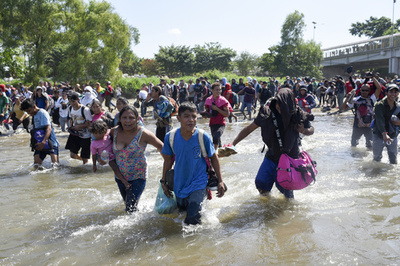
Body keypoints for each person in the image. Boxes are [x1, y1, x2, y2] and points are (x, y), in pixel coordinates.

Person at [232, 88, 314, 198]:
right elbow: (248, 129)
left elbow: (311, 129)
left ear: (289, 103)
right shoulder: (266, 113)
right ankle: (267, 204)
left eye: (282, 104)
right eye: (277, 103)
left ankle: (287, 209)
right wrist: (233, 144)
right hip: (272, 155)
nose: (279, 107)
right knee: (261, 183)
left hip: (289, 158)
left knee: (286, 190)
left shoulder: (298, 114)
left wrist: (304, 130)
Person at [161, 102, 225, 225]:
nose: (191, 120)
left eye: (194, 116)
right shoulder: (171, 137)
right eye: (186, 116)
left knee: (192, 219)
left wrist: (220, 181)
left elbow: (214, 158)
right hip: (180, 183)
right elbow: (168, 161)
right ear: (178, 118)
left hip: (199, 182)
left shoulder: (202, 136)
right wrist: (164, 181)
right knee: (181, 213)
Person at [111, 105, 163, 213]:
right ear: (119, 119)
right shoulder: (113, 132)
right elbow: (105, 149)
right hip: (120, 177)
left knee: (130, 209)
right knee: (127, 204)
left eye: (131, 118)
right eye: (124, 118)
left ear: (137, 119)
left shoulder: (143, 134)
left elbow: (162, 147)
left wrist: (168, 169)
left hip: (138, 176)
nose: (127, 121)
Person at [20, 98, 60, 169]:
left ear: (34, 107)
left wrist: (43, 142)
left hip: (51, 142)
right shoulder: (34, 115)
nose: (29, 113)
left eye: (29, 111)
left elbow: (48, 128)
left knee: (55, 167)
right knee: (36, 166)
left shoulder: (42, 113)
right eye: (27, 112)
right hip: (39, 142)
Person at [341, 84, 380, 148]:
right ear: (360, 90)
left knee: (370, 145)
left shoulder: (372, 99)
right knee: (353, 145)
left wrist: (372, 77)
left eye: (366, 90)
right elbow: (343, 108)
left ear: (369, 91)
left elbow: (379, 88)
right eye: (363, 90)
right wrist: (347, 99)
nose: (364, 92)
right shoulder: (355, 100)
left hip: (369, 126)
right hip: (357, 126)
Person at [372, 84, 400, 164]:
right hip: (378, 134)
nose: (393, 94)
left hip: (392, 134)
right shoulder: (379, 105)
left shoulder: (398, 107)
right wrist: (384, 134)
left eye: (395, 92)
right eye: (391, 92)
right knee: (377, 159)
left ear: (398, 94)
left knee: (393, 160)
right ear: (386, 93)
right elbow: (380, 121)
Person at [65, 92, 93, 164]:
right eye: (70, 101)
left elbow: (89, 123)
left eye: (73, 101)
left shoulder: (85, 109)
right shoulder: (70, 108)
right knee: (72, 155)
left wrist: (79, 126)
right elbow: (71, 119)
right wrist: (70, 127)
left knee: (85, 158)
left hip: (86, 136)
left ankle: (86, 163)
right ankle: (86, 161)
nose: (72, 103)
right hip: (75, 134)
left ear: (78, 99)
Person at [204, 83, 231, 152]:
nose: (218, 92)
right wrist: (205, 115)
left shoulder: (223, 100)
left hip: (221, 123)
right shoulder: (208, 100)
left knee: (216, 138)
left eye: (220, 90)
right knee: (216, 140)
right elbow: (207, 112)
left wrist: (217, 109)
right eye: (216, 90)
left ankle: (214, 154)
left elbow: (227, 114)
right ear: (212, 90)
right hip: (212, 123)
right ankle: (220, 152)